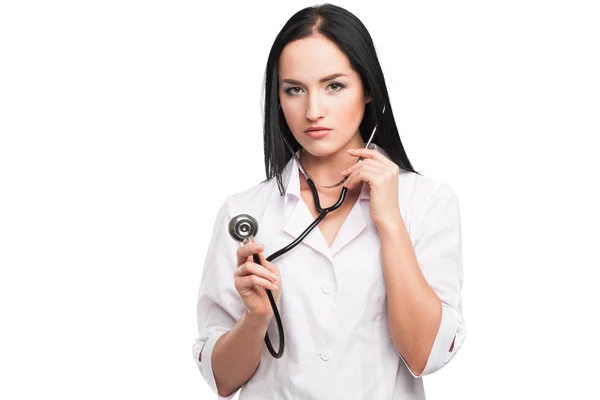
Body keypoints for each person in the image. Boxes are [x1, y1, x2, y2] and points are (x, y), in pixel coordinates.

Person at [192, 3, 466, 399]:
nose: (313, 110)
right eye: (294, 89)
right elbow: (223, 379)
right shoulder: (244, 213)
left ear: (368, 88)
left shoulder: (427, 202)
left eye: (334, 86)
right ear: (279, 99)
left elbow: (425, 356)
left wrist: (388, 218)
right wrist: (255, 319)